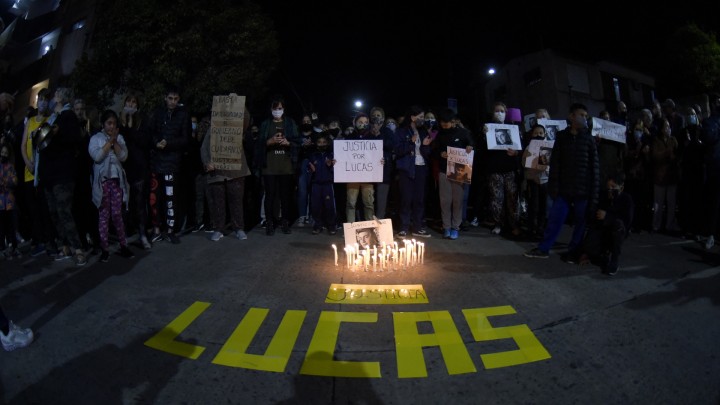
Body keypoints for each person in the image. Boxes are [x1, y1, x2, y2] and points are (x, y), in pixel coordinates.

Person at [525, 103, 599, 261]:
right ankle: (544, 248)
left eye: (586, 116)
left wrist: (594, 194)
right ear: (572, 116)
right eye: (581, 115)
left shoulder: (589, 139)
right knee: (554, 219)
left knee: (580, 222)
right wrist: (554, 187)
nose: (584, 118)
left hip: (583, 190)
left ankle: (573, 251)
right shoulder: (562, 137)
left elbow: (595, 169)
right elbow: (556, 163)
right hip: (564, 189)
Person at [37, 87, 87, 266]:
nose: (52, 98)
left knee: (64, 211)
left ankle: (78, 248)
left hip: (63, 174)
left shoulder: (68, 116)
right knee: (54, 212)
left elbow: (74, 138)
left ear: (61, 98)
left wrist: (58, 131)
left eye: (56, 94)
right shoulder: (53, 118)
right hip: (50, 175)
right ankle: (64, 245)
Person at [146, 85, 192, 245]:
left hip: (172, 163)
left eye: (176, 99)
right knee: (155, 198)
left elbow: (186, 139)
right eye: (170, 98)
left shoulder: (184, 114)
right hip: (156, 162)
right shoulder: (158, 113)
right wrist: (156, 142)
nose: (172, 102)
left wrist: (169, 143)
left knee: (171, 199)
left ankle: (171, 230)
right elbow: (151, 133)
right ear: (165, 98)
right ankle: (157, 229)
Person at [88, 110, 134, 262]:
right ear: (103, 124)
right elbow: (97, 157)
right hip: (102, 183)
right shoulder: (96, 139)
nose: (111, 126)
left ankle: (123, 245)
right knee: (104, 216)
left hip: (116, 182)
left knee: (117, 215)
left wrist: (115, 142)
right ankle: (105, 248)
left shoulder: (119, 138)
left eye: (114, 123)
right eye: (109, 123)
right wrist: (109, 142)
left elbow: (124, 156)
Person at [200, 105, 251, 242]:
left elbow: (246, 118)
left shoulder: (236, 127)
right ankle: (218, 229)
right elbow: (204, 148)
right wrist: (207, 163)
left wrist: (239, 105)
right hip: (217, 173)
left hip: (235, 172)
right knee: (218, 202)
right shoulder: (212, 129)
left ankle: (238, 228)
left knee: (236, 201)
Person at [254, 96, 299, 235]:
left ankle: (285, 222)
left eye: (280, 108)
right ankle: (269, 223)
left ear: (283, 109)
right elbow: (258, 144)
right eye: (275, 108)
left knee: (285, 196)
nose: (277, 111)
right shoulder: (266, 124)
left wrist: (289, 143)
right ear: (271, 109)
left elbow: (298, 142)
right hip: (269, 167)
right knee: (270, 196)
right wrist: (270, 141)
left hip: (286, 167)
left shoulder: (290, 123)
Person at [577, 173, 634, 276]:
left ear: (621, 187)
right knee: (592, 244)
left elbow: (626, 221)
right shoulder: (603, 195)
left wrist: (608, 216)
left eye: (613, 187)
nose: (610, 189)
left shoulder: (626, 199)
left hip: (617, 231)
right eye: (608, 186)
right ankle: (599, 252)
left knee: (618, 225)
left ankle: (614, 260)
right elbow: (594, 218)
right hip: (603, 229)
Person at [433, 108, 473, 240]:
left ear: (454, 121)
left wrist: (470, 147)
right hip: (444, 170)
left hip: (460, 170)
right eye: (442, 122)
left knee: (457, 201)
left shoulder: (464, 133)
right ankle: (446, 227)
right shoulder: (440, 134)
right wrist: (440, 154)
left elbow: (472, 145)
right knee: (445, 201)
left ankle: (456, 227)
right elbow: (435, 150)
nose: (444, 124)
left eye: (447, 122)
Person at [393, 105, 433, 238]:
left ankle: (417, 227)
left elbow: (427, 153)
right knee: (406, 199)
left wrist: (426, 146)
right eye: (420, 117)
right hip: (406, 168)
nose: (422, 119)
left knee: (419, 199)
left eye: (423, 117)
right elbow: (398, 151)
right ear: (412, 117)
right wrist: (410, 142)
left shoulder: (424, 131)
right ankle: (403, 227)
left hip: (421, 167)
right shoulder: (401, 131)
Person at [120, 94, 152, 249]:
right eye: (128, 101)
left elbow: (144, 141)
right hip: (122, 168)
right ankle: (124, 234)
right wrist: (124, 124)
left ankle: (143, 234)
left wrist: (131, 126)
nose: (131, 104)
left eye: (134, 102)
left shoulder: (142, 121)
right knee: (124, 203)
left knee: (139, 203)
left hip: (139, 168)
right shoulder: (119, 122)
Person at [344, 112, 376, 223]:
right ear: (355, 123)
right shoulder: (348, 138)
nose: (363, 124)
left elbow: (376, 156)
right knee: (351, 203)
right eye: (360, 122)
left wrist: (380, 160)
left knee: (368, 203)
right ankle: (350, 229)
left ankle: (370, 228)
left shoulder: (373, 139)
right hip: (352, 176)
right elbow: (343, 155)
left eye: (366, 122)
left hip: (368, 176)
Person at [308, 134, 337, 235]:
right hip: (316, 184)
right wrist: (311, 169)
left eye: (324, 142)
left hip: (328, 184)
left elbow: (336, 170)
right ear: (316, 143)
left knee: (329, 206)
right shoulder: (313, 155)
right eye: (319, 142)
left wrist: (331, 166)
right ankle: (317, 225)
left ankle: (331, 225)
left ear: (328, 143)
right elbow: (309, 170)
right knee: (316, 206)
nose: (322, 144)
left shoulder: (331, 155)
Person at [0, 143, 19, 258]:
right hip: (0, 202)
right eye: (2, 152)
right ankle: (2, 248)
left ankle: (14, 247)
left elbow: (15, 181)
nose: (3, 155)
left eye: (6, 153)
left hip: (10, 201)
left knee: (12, 225)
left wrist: (4, 182)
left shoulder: (11, 166)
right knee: (1, 227)